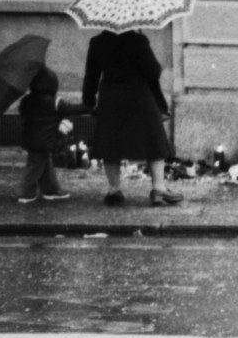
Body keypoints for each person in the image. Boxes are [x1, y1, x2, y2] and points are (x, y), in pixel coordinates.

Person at [83, 29, 181, 206]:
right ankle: (159, 189)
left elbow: (91, 76)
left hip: (111, 98)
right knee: (154, 141)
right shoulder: (138, 40)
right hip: (139, 97)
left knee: (110, 144)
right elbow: (153, 71)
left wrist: (88, 101)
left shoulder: (97, 42)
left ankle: (114, 191)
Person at [15, 66, 82, 205]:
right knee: (35, 166)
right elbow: (70, 108)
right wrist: (90, 107)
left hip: (30, 140)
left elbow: (23, 113)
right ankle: (26, 192)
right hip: (43, 141)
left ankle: (50, 190)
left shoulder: (26, 101)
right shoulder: (53, 102)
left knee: (45, 164)